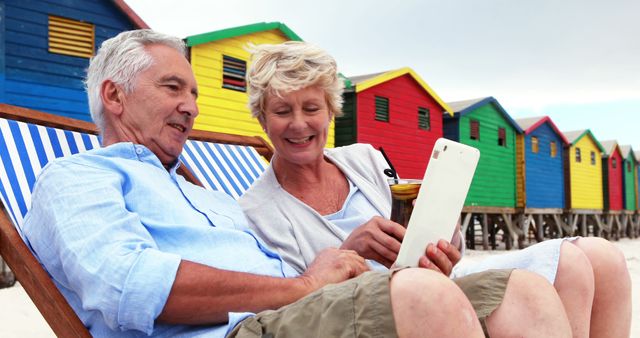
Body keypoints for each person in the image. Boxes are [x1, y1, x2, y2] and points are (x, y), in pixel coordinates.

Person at [19, 29, 568, 338]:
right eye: (172, 88)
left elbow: (298, 274)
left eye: (193, 93)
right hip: (245, 331)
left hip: (291, 312)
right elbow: (129, 286)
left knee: (525, 294)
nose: (190, 106)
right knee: (423, 297)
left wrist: (332, 263)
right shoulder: (76, 178)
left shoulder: (202, 194)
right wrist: (306, 286)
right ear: (114, 97)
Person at [238, 41, 632, 338]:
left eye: (311, 109)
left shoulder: (364, 160)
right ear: (262, 117)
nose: (299, 124)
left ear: (330, 111)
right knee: (551, 279)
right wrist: (348, 250)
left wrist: (444, 241)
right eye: (282, 110)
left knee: (597, 255)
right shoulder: (258, 209)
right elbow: (299, 308)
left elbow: (425, 232)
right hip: (379, 309)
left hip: (436, 280)